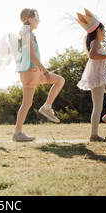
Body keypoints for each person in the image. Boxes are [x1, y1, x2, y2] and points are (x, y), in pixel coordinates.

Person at [13, 9, 65, 142]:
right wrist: (46, 72)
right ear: (30, 20)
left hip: (34, 72)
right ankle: (17, 133)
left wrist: (41, 71)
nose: (39, 21)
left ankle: (47, 107)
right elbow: (32, 56)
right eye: (37, 18)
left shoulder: (27, 34)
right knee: (26, 103)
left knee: (59, 80)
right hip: (30, 72)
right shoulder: (28, 34)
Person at [76, 9, 106, 142]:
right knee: (97, 108)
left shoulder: (96, 43)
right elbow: (92, 56)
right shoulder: (96, 42)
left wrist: (105, 59)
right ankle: (94, 135)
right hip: (97, 81)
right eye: (104, 31)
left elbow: (96, 57)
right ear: (98, 31)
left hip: (101, 80)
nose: (104, 34)